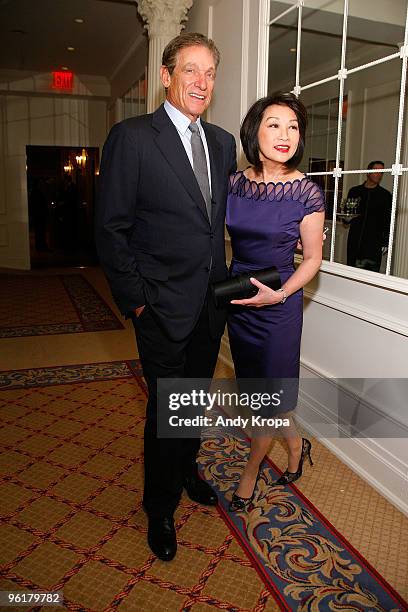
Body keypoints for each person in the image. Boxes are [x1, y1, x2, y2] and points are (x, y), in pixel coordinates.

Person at [95, 33, 236, 561]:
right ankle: (159, 506)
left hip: (210, 303)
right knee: (168, 408)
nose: (201, 82)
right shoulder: (131, 138)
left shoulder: (222, 143)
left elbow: (216, 223)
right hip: (158, 305)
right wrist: (135, 301)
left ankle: (186, 471)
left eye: (209, 73)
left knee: (195, 403)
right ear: (166, 76)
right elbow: (111, 229)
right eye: (190, 70)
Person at [226, 92, 325, 511]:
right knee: (259, 393)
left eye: (293, 127)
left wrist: (282, 294)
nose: (285, 135)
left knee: (269, 399)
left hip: (279, 303)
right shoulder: (233, 183)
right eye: (274, 124)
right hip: (240, 298)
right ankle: (297, 445)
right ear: (255, 130)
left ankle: (250, 476)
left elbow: (314, 259)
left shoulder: (307, 193)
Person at [346, 161, 391, 272]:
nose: (379, 175)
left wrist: (385, 242)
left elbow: (388, 220)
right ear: (368, 172)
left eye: (381, 172)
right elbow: (347, 214)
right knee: (352, 272)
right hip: (355, 240)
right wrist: (346, 220)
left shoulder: (385, 195)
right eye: (376, 171)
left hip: (374, 243)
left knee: (371, 274)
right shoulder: (354, 191)